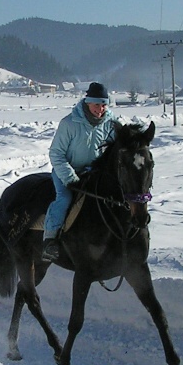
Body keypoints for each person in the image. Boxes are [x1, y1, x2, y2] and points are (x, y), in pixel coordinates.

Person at [41, 82, 118, 263]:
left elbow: (116, 149)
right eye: (96, 104)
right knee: (65, 198)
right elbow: (56, 154)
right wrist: (70, 178)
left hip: (93, 172)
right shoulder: (69, 123)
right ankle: (50, 241)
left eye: (104, 104)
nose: (100, 109)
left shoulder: (111, 124)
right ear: (87, 102)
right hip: (66, 171)